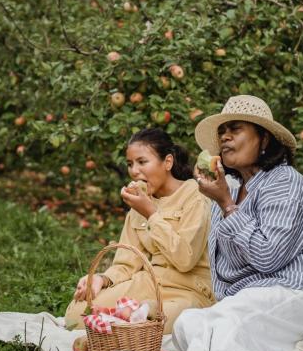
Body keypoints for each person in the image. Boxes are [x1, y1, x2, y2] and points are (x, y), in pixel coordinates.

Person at [151, 95, 303, 351]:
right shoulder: (231, 188)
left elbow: (268, 256)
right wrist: (223, 200)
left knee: (230, 323)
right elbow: (225, 268)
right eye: (222, 131)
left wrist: (227, 205)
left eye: (235, 129)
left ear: (264, 139)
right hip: (258, 295)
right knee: (187, 323)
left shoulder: (283, 182)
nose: (225, 137)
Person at [64, 128, 215, 335]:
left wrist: (151, 214)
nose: (134, 171)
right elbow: (127, 263)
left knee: (152, 323)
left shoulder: (195, 196)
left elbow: (185, 259)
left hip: (187, 292)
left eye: (142, 162)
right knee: (76, 314)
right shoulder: (140, 203)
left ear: (168, 162)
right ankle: (130, 317)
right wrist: (102, 279)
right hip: (149, 284)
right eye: (130, 164)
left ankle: (134, 318)